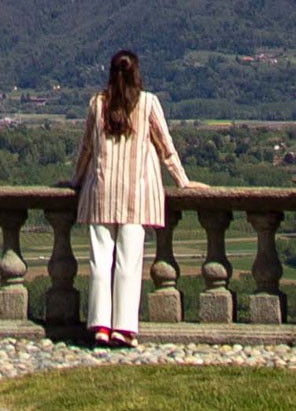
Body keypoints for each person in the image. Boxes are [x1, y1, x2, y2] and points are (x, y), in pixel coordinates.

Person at [67, 49, 204, 348]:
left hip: (100, 193)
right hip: (136, 194)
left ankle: (100, 325)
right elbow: (166, 149)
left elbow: (85, 151)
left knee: (100, 262)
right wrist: (183, 181)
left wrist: (74, 182)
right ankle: (124, 328)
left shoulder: (97, 104)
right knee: (129, 263)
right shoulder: (148, 103)